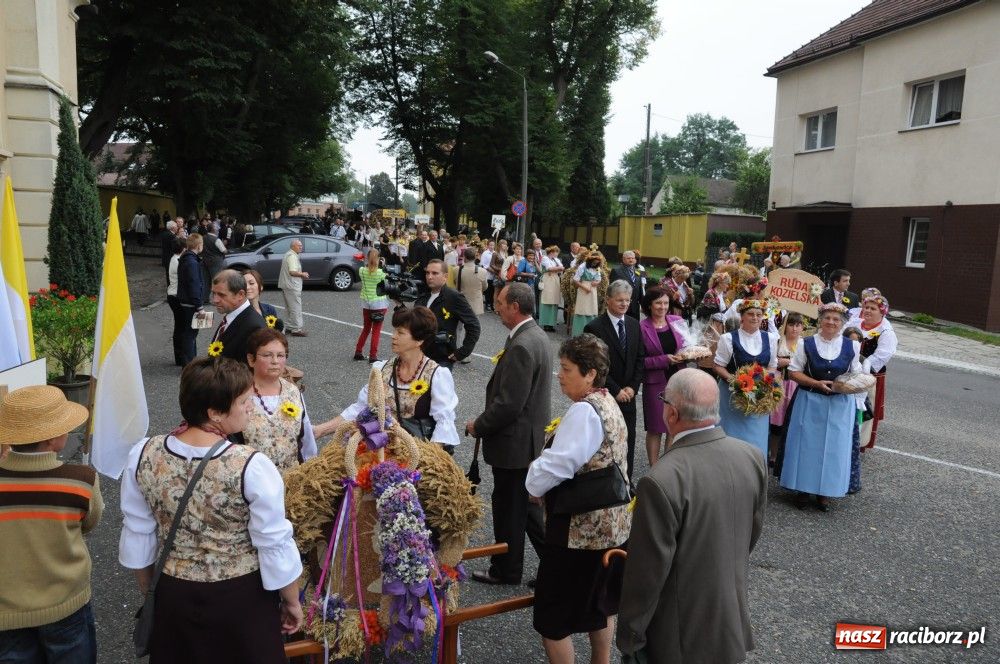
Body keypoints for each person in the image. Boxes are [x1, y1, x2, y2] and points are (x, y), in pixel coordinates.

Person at [119, 358, 303, 661]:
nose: (250, 408)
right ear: (215, 413)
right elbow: (273, 541)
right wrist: (291, 601)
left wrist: (150, 590)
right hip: (240, 597)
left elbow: (139, 530)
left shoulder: (144, 453)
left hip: (173, 591)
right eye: (244, 402)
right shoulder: (250, 465)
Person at [616, 369, 766, 664]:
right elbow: (751, 533)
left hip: (677, 634)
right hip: (729, 619)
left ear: (672, 413)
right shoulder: (751, 456)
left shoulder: (661, 479)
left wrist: (630, 636)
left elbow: (647, 573)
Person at [526, 334, 631, 664]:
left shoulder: (584, 412)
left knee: (552, 617)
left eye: (567, 368)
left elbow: (560, 463)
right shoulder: (609, 402)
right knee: (601, 605)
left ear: (589, 374)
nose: (560, 374)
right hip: (615, 526)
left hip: (580, 533)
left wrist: (533, 481)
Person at [0, 386, 103, 663]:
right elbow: (89, 523)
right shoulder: (81, 479)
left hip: (5, 610)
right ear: (54, 439)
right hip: (64, 601)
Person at [466, 283, 550, 585]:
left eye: (500, 302)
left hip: (515, 445)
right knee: (526, 512)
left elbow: (509, 404)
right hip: (527, 441)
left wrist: (479, 425)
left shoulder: (522, 345)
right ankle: (556, 567)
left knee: (508, 510)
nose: (496, 306)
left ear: (515, 306)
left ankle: (506, 569)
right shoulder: (535, 336)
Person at [330, 306, 459, 452]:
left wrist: (426, 459)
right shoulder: (382, 368)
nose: (393, 336)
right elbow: (360, 409)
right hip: (379, 451)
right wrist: (320, 430)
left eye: (400, 332)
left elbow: (444, 422)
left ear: (419, 341)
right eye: (394, 330)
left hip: (416, 453)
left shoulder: (437, 375)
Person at [780, 302, 864, 511]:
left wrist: (848, 386)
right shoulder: (805, 343)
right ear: (820, 320)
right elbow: (793, 372)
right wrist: (815, 383)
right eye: (827, 318)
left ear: (842, 324)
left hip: (839, 405)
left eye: (836, 319)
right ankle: (803, 489)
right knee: (806, 446)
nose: (831, 322)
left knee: (834, 448)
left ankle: (825, 492)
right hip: (809, 400)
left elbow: (857, 374)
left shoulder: (852, 346)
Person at [584, 281, 644, 480]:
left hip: (629, 396)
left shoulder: (634, 325)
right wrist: (616, 390)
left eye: (627, 300)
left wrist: (633, 387)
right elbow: (594, 366)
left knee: (628, 441)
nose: (624, 304)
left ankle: (626, 484)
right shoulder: (594, 327)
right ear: (608, 300)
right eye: (619, 300)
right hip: (606, 395)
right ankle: (606, 485)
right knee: (605, 443)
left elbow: (639, 359)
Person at [239, 328, 320, 472]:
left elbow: (305, 433)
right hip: (252, 479)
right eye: (267, 355)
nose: (275, 361)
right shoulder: (240, 394)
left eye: (281, 355)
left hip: (291, 479)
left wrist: (311, 467)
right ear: (251, 360)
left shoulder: (293, 391)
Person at [713, 299, 779, 461]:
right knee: (731, 437)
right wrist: (736, 382)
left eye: (759, 314)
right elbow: (718, 366)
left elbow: (772, 366)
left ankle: (754, 471)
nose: (755, 318)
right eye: (750, 314)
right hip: (731, 395)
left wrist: (763, 382)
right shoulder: (728, 339)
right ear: (741, 316)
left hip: (758, 396)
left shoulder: (770, 339)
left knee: (756, 437)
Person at [639, 286, 688, 465]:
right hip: (655, 383)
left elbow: (687, 347)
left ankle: (667, 466)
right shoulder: (641, 327)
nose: (662, 306)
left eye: (666, 302)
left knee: (673, 426)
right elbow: (640, 361)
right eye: (658, 302)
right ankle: (654, 468)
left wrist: (692, 353)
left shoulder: (676, 320)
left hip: (678, 381)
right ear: (649, 305)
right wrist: (664, 360)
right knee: (655, 428)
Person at [414, 259, 480, 368]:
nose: (429, 276)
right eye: (427, 273)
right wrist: (399, 305)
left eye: (435, 273)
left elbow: (473, 325)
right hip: (419, 355)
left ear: (445, 276)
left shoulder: (453, 297)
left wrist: (462, 352)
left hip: (441, 359)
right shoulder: (424, 295)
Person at [769, 312, 804, 468]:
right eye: (791, 324)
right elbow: (770, 361)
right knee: (775, 423)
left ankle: (788, 455)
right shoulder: (777, 342)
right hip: (778, 384)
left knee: (791, 423)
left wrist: (787, 361)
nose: (794, 329)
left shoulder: (804, 344)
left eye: (798, 325)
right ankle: (773, 455)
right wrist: (781, 361)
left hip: (795, 385)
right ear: (785, 326)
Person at [209, 269, 266, 362]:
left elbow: (248, 370)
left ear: (240, 295)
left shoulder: (254, 327)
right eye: (213, 293)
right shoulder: (233, 315)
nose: (215, 300)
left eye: (221, 295)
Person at [354, 248, 388, 362]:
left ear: (368, 258)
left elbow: (366, 267)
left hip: (366, 303)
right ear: (378, 259)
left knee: (366, 329)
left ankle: (358, 351)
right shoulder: (380, 273)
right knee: (376, 331)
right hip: (379, 303)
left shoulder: (362, 270)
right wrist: (383, 266)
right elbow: (386, 280)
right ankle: (373, 356)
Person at [176, 233, 205, 366]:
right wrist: (199, 306)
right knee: (190, 333)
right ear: (199, 245)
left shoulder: (185, 258)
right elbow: (193, 284)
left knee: (188, 332)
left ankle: (190, 361)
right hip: (190, 302)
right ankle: (189, 363)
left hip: (185, 300)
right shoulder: (192, 262)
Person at [278, 238, 308, 337]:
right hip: (292, 286)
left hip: (287, 285)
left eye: (301, 245)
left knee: (290, 307)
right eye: (299, 245)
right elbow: (292, 271)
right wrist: (302, 274)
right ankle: (296, 329)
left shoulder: (289, 254)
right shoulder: (292, 256)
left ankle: (289, 326)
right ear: (293, 246)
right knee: (295, 307)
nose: (301, 247)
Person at [166, 236, 187, 366]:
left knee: (179, 326)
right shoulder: (179, 261)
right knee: (180, 327)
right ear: (184, 249)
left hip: (172, 294)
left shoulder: (174, 258)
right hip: (176, 296)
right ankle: (180, 357)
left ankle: (179, 356)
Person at [571, 252, 603, 336]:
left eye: (597, 262)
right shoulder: (582, 266)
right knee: (582, 309)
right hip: (583, 290)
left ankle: (590, 332)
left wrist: (596, 282)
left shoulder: (597, 268)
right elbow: (575, 280)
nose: (595, 263)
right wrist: (585, 287)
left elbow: (599, 279)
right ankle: (578, 333)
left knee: (591, 309)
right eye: (594, 262)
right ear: (590, 260)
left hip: (592, 290)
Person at [610, 251, 644, 320]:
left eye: (632, 258)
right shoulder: (616, 271)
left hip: (635, 306)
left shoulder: (638, 272)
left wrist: (643, 303)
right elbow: (612, 289)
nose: (631, 260)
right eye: (628, 258)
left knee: (634, 326)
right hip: (622, 304)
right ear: (623, 259)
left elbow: (640, 288)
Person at [538, 245, 564, 331]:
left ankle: (552, 323)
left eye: (557, 252)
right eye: (555, 252)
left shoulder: (556, 260)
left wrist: (557, 269)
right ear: (551, 252)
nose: (556, 254)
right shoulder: (545, 258)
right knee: (547, 300)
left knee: (554, 301)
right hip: (548, 279)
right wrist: (558, 268)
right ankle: (546, 323)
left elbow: (562, 268)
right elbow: (549, 268)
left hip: (555, 279)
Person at [456, 247, 488, 315]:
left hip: (461, 303)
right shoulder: (483, 271)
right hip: (476, 303)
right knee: (475, 324)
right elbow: (485, 287)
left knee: (460, 325)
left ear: (464, 257)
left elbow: (455, 284)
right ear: (475, 257)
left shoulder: (457, 270)